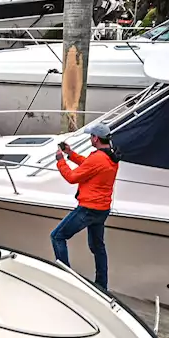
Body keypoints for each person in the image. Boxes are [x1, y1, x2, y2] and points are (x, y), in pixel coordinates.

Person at [50, 121, 120, 291]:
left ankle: (66, 276)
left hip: (88, 209)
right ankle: (102, 284)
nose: (90, 138)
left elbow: (72, 177)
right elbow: (88, 165)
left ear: (95, 138)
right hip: (102, 210)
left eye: (91, 136)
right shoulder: (110, 156)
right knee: (98, 247)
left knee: (57, 236)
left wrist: (60, 161)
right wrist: (70, 153)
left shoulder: (97, 158)